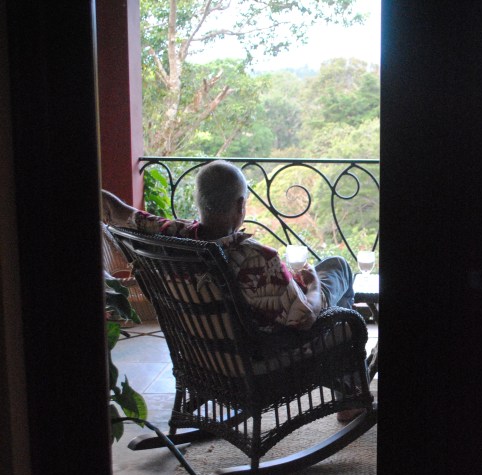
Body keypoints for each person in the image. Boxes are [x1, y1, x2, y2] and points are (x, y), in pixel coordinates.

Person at [101, 160, 361, 419]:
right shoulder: (257, 258)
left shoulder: (174, 236)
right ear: (240, 205)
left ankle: (348, 391)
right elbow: (305, 318)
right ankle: (350, 395)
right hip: (260, 364)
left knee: (329, 273)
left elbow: (127, 215)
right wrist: (313, 283)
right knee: (338, 269)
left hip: (201, 360)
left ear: (199, 201)